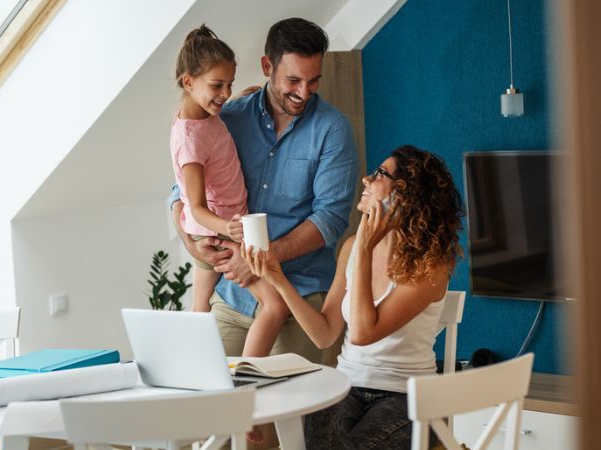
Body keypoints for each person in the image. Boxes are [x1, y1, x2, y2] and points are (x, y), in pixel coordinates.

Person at [242, 145, 464, 449]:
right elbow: (325, 334)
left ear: (405, 193)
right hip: (345, 386)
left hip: (407, 398)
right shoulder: (351, 248)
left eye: (380, 174)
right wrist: (277, 278)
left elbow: (361, 333)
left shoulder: (430, 265)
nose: (366, 180)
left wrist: (365, 246)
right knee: (307, 430)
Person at [170, 17, 358, 364]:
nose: (304, 93)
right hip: (233, 292)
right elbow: (181, 189)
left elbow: (330, 220)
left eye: (313, 81)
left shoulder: (333, 130)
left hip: (298, 292)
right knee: (207, 399)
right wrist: (192, 243)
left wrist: (262, 257)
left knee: (280, 412)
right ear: (266, 66)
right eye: (293, 80)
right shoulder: (229, 116)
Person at [170, 25, 290, 357]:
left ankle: (196, 373)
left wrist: (235, 101)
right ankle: (246, 379)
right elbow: (193, 206)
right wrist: (229, 231)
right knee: (274, 306)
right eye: (216, 86)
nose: (223, 93)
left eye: (229, 85)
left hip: (220, 227)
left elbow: (213, 135)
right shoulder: (189, 141)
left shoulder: (206, 117)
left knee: (200, 309)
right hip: (217, 231)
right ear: (189, 82)